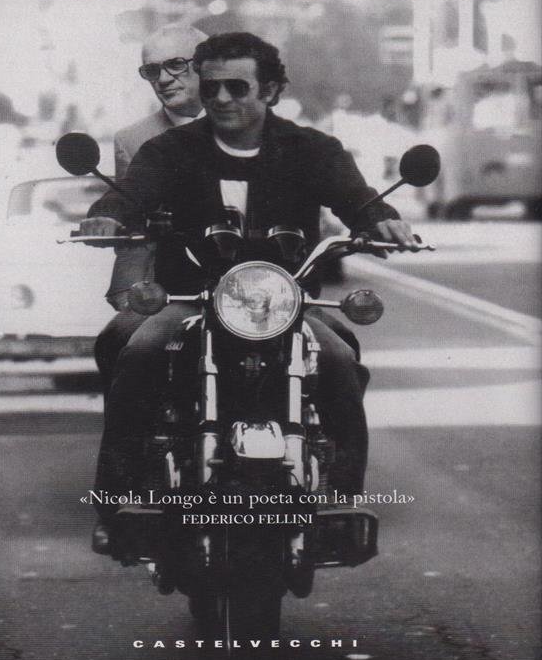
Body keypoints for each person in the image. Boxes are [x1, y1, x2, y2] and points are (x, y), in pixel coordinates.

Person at [81, 32, 419, 554]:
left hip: (285, 304)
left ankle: (341, 503)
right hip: (190, 299)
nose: (221, 99)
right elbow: (132, 193)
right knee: (139, 351)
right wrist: (107, 216)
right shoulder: (170, 149)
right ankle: (118, 504)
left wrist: (381, 221)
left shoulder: (310, 149)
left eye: (237, 88)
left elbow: (357, 198)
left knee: (339, 359)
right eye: (211, 88)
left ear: (271, 90)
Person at [94, 25, 206, 386]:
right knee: (118, 342)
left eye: (175, 64)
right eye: (152, 70)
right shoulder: (134, 139)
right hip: (169, 285)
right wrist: (130, 292)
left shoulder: (247, 127)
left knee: (335, 348)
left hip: (251, 283)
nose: (164, 78)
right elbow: (130, 212)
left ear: (206, 66)